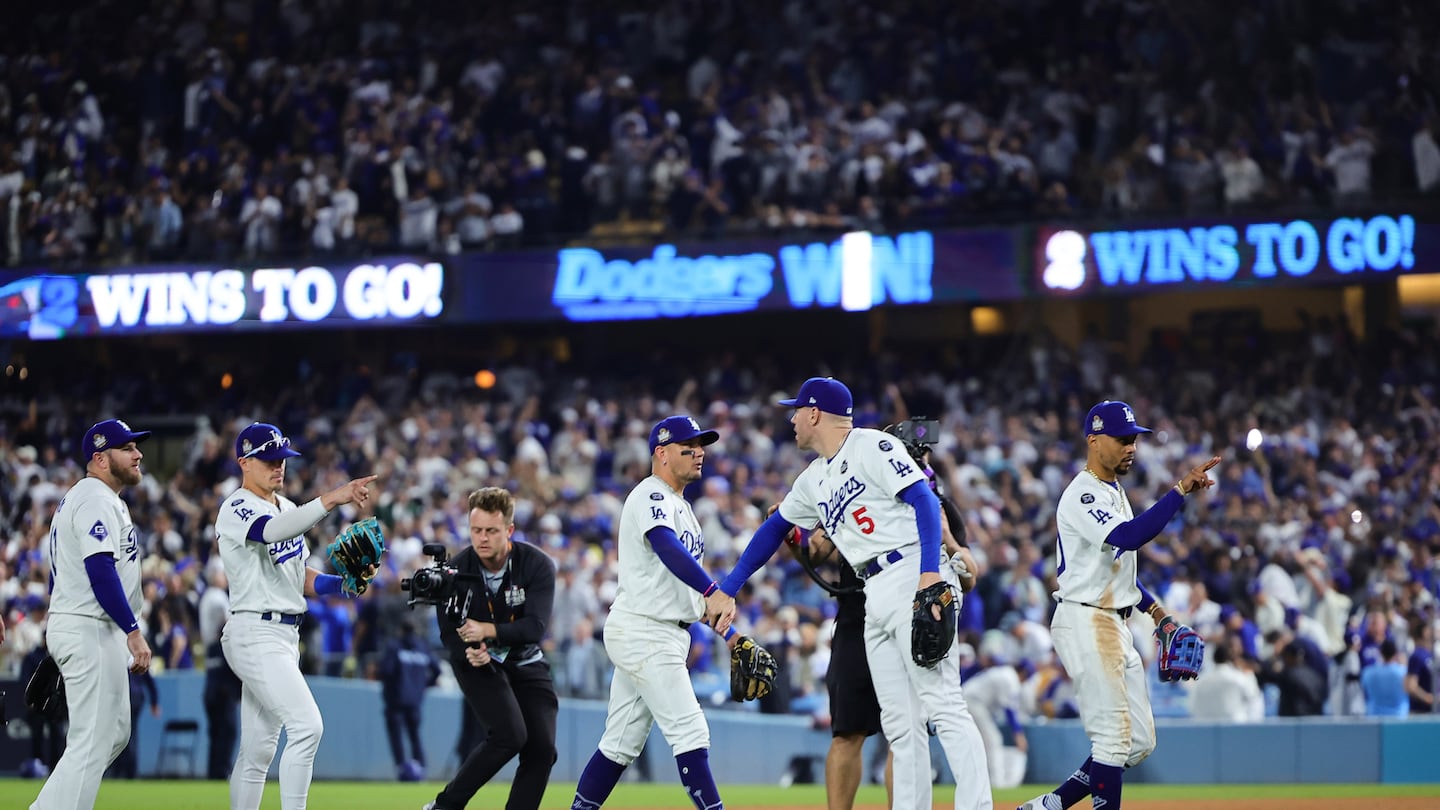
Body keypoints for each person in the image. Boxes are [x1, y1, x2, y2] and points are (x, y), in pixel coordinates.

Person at [708, 378, 993, 810]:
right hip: (871, 591)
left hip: (910, 570)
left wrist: (930, 574)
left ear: (815, 413)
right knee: (900, 724)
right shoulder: (814, 477)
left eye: (797, 410)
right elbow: (773, 529)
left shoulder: (871, 446)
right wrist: (727, 589)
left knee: (943, 704)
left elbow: (923, 500)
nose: (792, 419)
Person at [1019, 400, 1219, 810]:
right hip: (1085, 618)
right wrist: (1179, 491)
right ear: (1094, 441)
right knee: (1111, 737)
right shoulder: (1082, 493)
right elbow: (1128, 537)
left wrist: (1157, 613)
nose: (1132, 447)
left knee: (1139, 740)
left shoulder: (1113, 490)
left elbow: (1117, 570)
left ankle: (1052, 805)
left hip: (1112, 620)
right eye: (1123, 439)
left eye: (1134, 440)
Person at [570, 415, 737, 810]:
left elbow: (679, 587)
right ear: (661, 453)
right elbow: (665, 546)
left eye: (701, 446)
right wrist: (712, 589)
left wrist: (731, 635)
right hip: (645, 630)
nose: (699, 453)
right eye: (688, 447)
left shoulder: (683, 506)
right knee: (691, 732)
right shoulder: (651, 494)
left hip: (660, 629)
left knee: (619, 744)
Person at [217, 421, 377, 810]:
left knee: (257, 752)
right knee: (307, 728)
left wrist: (343, 586)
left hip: (284, 635)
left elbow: (300, 576)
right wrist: (332, 499)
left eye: (282, 458)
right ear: (244, 462)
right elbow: (270, 532)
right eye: (269, 459)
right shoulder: (236, 506)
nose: (278, 466)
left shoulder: (287, 507)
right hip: (254, 629)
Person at [29, 419, 155, 810]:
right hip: (91, 627)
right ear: (100, 458)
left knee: (113, 735)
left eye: (137, 446)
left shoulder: (99, 498)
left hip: (90, 626)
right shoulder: (94, 497)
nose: (138, 454)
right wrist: (132, 631)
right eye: (127, 448)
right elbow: (99, 570)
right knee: (92, 741)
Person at [424, 486, 559, 810]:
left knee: (542, 750)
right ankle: (444, 806)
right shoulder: (455, 571)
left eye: (491, 531)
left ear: (509, 530)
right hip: (478, 662)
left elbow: (535, 628)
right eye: (476, 530)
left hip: (525, 659)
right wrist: (469, 651)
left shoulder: (537, 564)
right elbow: (448, 631)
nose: (482, 538)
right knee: (509, 735)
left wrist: (488, 630)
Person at [380, 618, 441, 782]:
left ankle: (402, 769)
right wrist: (423, 685)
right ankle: (420, 769)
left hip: (395, 701)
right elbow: (437, 670)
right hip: (415, 700)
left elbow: (386, 670)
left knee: (397, 736)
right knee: (415, 736)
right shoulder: (423, 647)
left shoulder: (394, 646)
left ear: (401, 630)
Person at [109, 666, 161, 778]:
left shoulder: (122, 653)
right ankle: (129, 772)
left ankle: (122, 772)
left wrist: (154, 701)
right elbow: (149, 680)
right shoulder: (135, 653)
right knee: (130, 735)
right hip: (135, 697)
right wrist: (154, 701)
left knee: (121, 736)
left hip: (125, 698)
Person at [204, 636, 244, 780]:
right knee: (228, 734)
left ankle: (213, 771)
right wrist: (240, 693)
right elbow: (234, 671)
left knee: (215, 735)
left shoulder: (211, 648)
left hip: (210, 696)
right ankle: (222, 771)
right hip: (225, 695)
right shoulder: (229, 648)